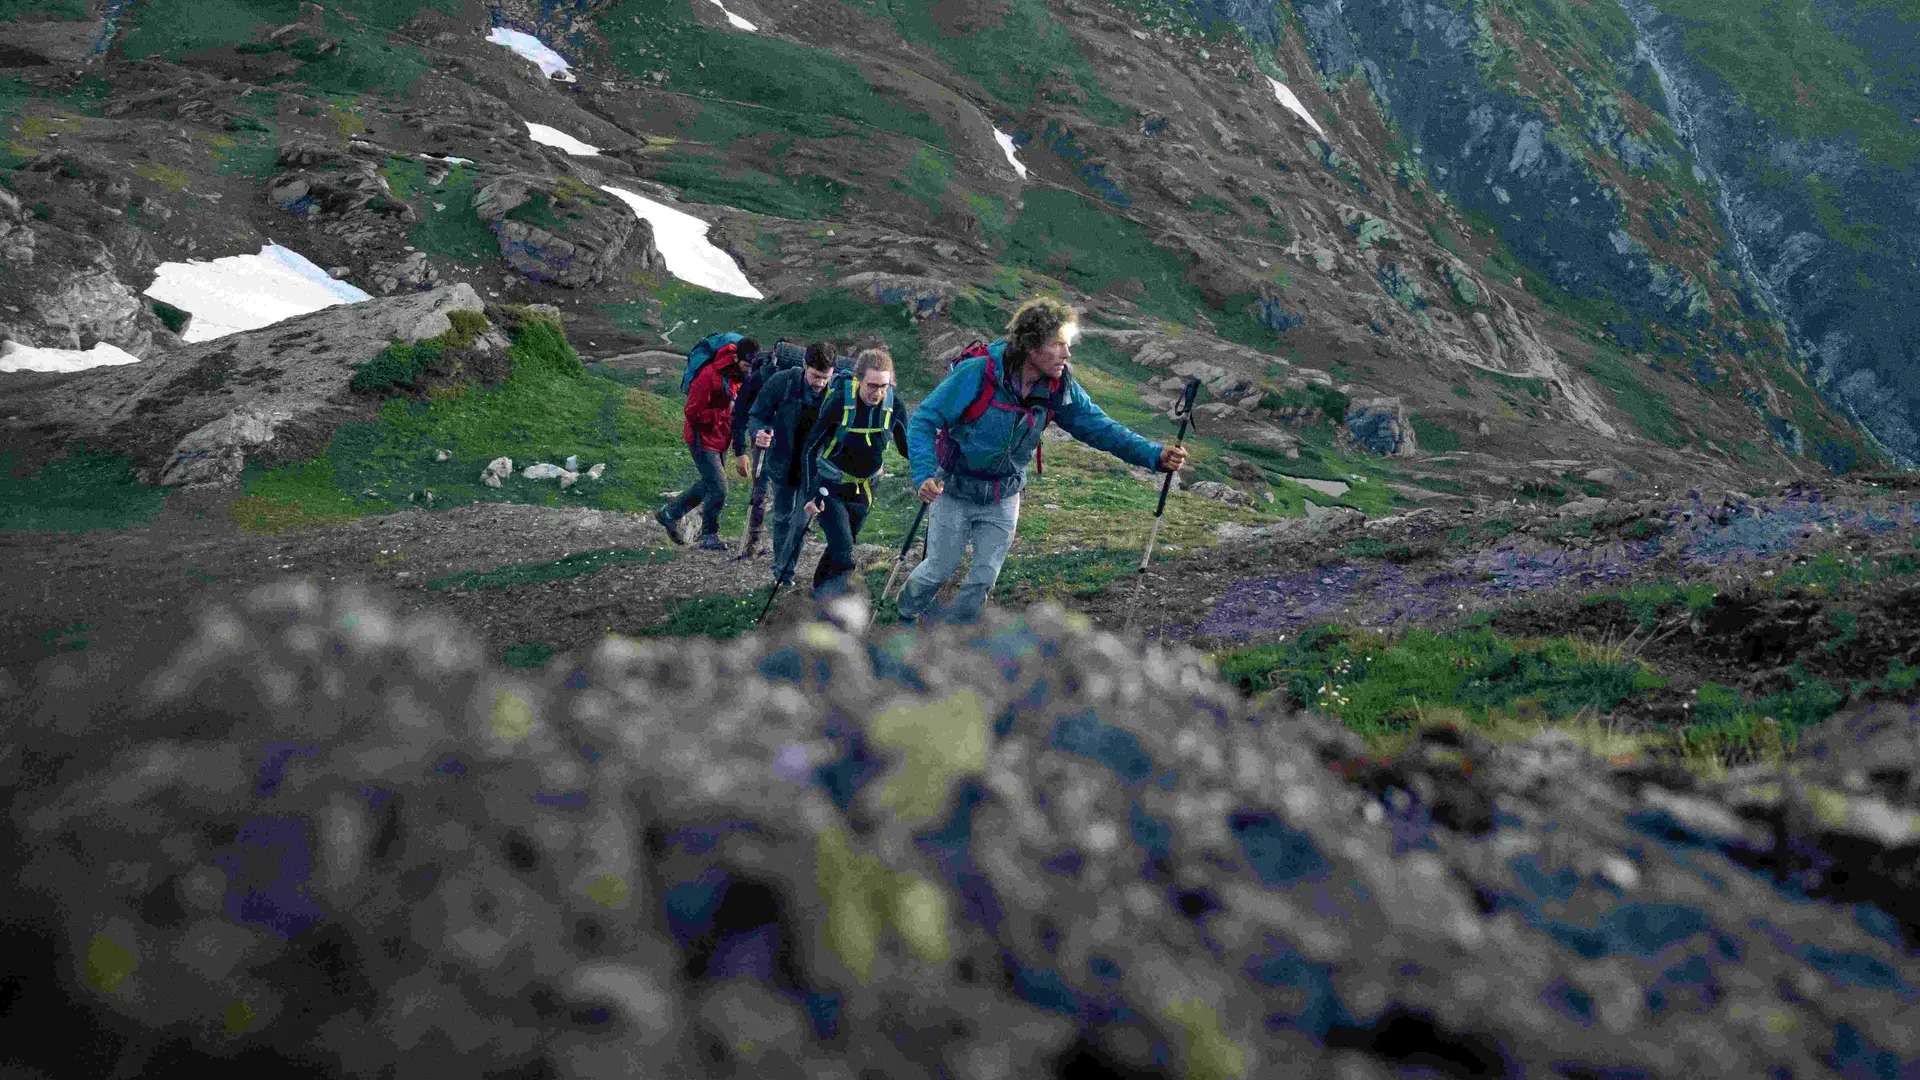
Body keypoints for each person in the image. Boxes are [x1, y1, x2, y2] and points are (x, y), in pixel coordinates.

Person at [896, 297, 1187, 625]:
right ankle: (904, 617)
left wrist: (1154, 455)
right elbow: (924, 419)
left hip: (1003, 494)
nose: (1067, 354)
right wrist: (923, 474)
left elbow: (1102, 429)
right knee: (938, 568)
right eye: (1059, 344)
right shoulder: (978, 374)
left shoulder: (1059, 388)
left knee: (983, 578)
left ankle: (958, 639)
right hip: (954, 489)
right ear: (1031, 347)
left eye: (1068, 344)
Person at [798, 347, 910, 598]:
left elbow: (906, 449)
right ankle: (839, 608)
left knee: (843, 543)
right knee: (845, 554)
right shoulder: (839, 402)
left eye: (884, 386)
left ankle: (817, 591)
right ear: (859, 379)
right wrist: (810, 493)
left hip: (865, 489)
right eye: (871, 385)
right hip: (831, 485)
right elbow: (810, 448)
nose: (878, 393)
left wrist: (933, 465)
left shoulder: (895, 407)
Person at [656, 336, 756, 551]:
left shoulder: (739, 374)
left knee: (708, 483)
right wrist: (724, 413)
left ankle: (669, 514)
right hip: (702, 438)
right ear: (736, 358)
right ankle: (708, 535)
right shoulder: (709, 376)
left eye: (752, 367)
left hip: (721, 437)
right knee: (719, 487)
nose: (750, 371)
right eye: (747, 366)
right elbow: (691, 412)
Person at [745, 343, 835, 569]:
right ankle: (780, 568)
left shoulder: (836, 391)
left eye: (826, 377)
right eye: (816, 376)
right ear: (804, 364)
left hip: (813, 468)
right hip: (782, 462)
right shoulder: (781, 382)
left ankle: (786, 569)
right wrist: (759, 432)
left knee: (801, 521)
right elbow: (756, 414)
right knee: (782, 517)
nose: (821, 383)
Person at [729, 340, 805, 560]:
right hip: (773, 442)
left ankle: (754, 544)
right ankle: (766, 544)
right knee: (767, 494)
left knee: (761, 493)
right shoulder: (764, 378)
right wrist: (742, 449)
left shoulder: (759, 377)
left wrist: (740, 450)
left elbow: (740, 414)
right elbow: (743, 414)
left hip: (775, 444)